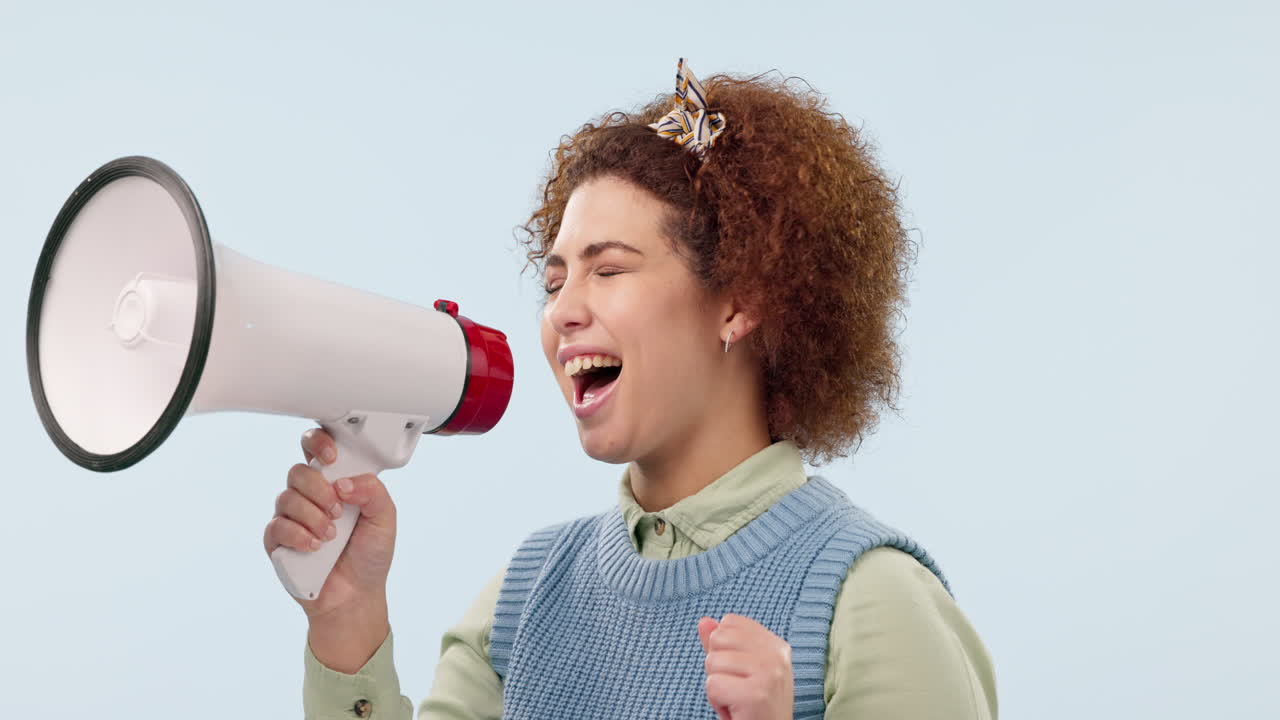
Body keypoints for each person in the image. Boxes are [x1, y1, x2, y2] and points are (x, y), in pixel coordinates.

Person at [266, 59, 998, 719]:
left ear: (739, 303)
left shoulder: (871, 601)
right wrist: (348, 624)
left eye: (608, 269)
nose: (562, 311)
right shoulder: (526, 597)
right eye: (554, 282)